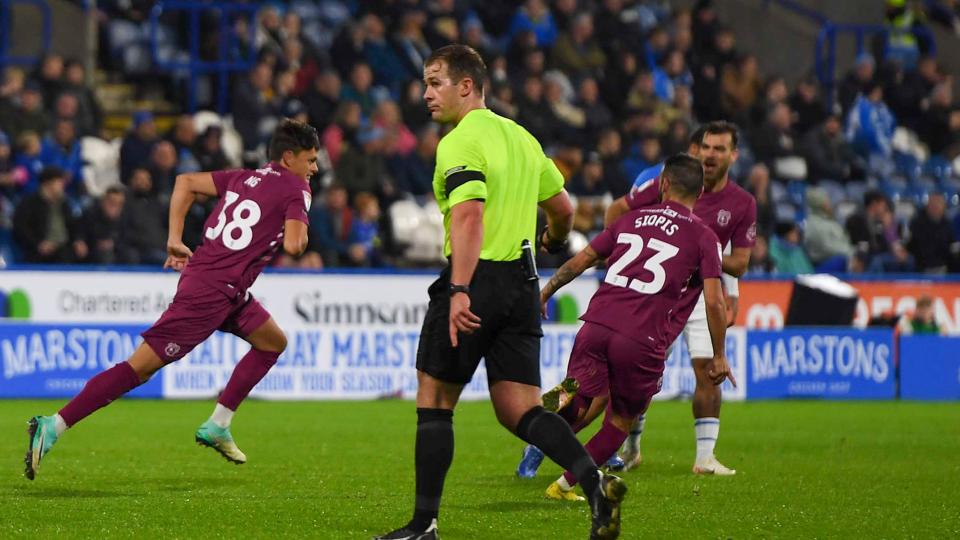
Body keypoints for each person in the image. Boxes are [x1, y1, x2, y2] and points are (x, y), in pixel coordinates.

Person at [375, 44, 625, 540]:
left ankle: (424, 524)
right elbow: (564, 208)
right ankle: (594, 482)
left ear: (466, 85)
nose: (425, 93)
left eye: (434, 82)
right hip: (523, 284)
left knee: (436, 397)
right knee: (521, 409)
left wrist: (461, 290)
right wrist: (553, 240)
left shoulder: (460, 142)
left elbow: (469, 216)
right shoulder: (523, 139)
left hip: (477, 277)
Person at [24, 119, 318, 480]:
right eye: (310, 160)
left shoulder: (245, 177)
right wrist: (301, 214)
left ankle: (218, 424)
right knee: (139, 369)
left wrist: (175, 239)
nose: (314, 169)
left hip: (222, 286)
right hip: (211, 292)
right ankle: (54, 424)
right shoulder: (295, 187)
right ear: (289, 158)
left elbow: (185, 182)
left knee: (272, 342)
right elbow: (294, 245)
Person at [536, 154, 732, 501]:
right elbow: (716, 302)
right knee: (620, 421)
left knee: (579, 393)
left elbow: (583, 260)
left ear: (663, 185)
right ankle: (564, 485)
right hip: (642, 337)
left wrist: (547, 290)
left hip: (595, 323)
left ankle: (537, 416)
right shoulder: (704, 237)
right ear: (700, 193)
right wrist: (719, 354)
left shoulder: (632, 220)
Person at [602, 121, 756, 475]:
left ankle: (705, 458)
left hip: (704, 294)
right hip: (658, 294)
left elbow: (742, 263)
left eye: (720, 149)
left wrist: (706, 257)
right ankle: (631, 448)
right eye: (706, 147)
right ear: (696, 149)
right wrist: (617, 260)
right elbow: (616, 211)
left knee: (707, 369)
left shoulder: (742, 203)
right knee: (637, 373)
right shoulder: (670, 184)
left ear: (734, 155)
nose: (711, 154)